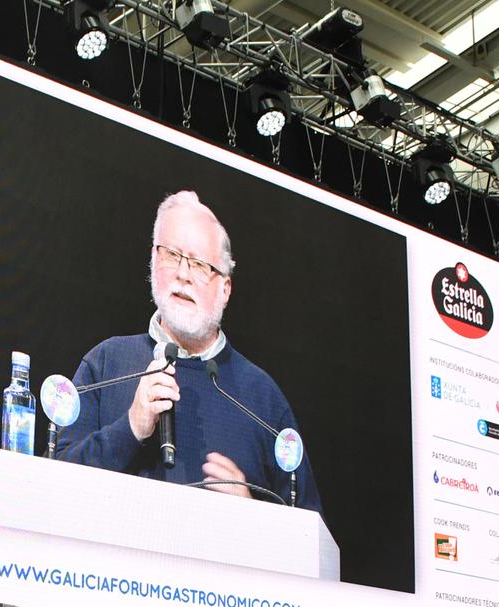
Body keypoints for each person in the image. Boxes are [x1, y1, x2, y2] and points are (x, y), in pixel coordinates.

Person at [54, 191, 321, 510]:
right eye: (172, 255)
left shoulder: (262, 399)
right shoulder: (106, 363)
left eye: (198, 264)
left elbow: (306, 529)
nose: (182, 274)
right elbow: (51, 486)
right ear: (153, 261)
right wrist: (131, 427)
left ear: (225, 289)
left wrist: (252, 512)